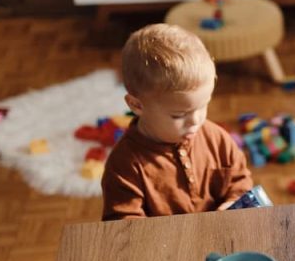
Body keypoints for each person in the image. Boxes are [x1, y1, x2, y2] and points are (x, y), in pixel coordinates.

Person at [101, 23, 253, 220]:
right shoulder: (124, 165)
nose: (196, 121)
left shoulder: (217, 138)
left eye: (202, 106)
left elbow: (239, 182)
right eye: (179, 115)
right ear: (136, 105)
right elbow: (123, 226)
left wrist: (232, 204)